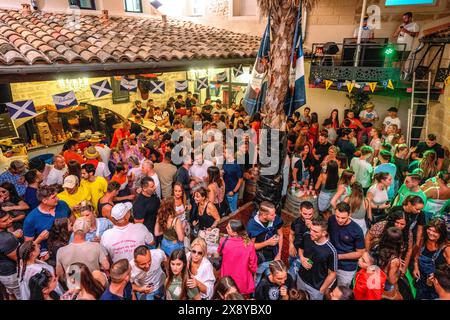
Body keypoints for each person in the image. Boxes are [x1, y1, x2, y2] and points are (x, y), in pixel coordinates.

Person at [56, 217, 109, 283]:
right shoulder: (96, 246)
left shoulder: (60, 251)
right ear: (88, 230)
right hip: (93, 284)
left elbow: (59, 274)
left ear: (74, 228)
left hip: (74, 286)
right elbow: (106, 266)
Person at [297, 219, 337, 300]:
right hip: (301, 278)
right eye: (311, 229)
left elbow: (332, 274)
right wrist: (301, 258)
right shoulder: (307, 236)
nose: (311, 233)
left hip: (315, 288)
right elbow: (300, 249)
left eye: (315, 231)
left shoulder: (331, 251)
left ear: (324, 233)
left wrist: (322, 289)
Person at [23, 186, 71, 252]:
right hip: (49, 253)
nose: (58, 198)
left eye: (56, 196)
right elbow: (27, 247)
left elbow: (72, 219)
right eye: (54, 197)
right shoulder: (31, 219)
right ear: (44, 201)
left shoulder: (62, 204)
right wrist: (39, 239)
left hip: (70, 246)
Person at [328, 202, 365, 287]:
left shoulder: (357, 230)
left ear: (349, 214)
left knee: (342, 291)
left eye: (343, 218)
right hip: (331, 262)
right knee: (328, 285)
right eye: (337, 216)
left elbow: (360, 253)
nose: (340, 220)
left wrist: (339, 256)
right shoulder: (331, 219)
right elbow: (328, 234)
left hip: (347, 267)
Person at [247, 201, 283, 286]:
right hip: (259, 259)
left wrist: (279, 253)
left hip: (274, 256)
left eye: (275, 213)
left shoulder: (275, 219)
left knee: (272, 278)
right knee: (257, 277)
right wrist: (267, 243)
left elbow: (280, 235)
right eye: (272, 215)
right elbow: (251, 247)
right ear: (263, 215)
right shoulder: (252, 225)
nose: (275, 216)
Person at [218, 220, 257, 297]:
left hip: (227, 280)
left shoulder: (223, 241)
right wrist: (254, 274)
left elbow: (219, 252)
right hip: (242, 279)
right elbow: (253, 265)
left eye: (228, 228)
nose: (226, 228)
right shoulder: (249, 244)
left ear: (235, 233)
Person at [413, 219, 450, 300]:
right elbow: (416, 256)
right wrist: (415, 267)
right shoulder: (424, 240)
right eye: (429, 229)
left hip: (437, 286)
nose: (430, 233)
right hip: (422, 283)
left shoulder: (446, 248)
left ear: (441, 233)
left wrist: (435, 276)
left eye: (435, 232)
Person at [0, 209, 21, 299]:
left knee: (11, 294)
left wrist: (11, 235)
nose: (10, 220)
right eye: (5, 221)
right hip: (11, 274)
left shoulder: (6, 237)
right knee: (21, 296)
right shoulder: (7, 239)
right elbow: (20, 258)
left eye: (10, 217)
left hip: (3, 272)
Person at [222, 149, 243, 214]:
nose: (223, 153)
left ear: (230, 154)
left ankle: (235, 223)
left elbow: (240, 181)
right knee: (226, 208)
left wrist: (233, 191)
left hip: (232, 192)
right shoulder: (225, 161)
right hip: (225, 190)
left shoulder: (237, 165)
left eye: (225, 152)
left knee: (233, 210)